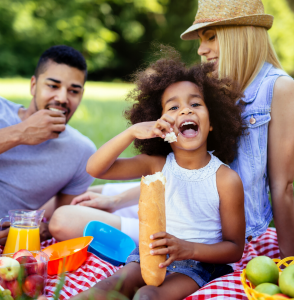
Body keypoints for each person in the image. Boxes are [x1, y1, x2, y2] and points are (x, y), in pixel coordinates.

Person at [50, 0, 294, 260]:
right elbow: (182, 173)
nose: (201, 50)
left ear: (241, 34)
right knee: (81, 195)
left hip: (203, 226)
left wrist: (288, 260)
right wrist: (117, 200)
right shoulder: (215, 83)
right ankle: (27, 222)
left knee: (64, 218)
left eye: (211, 37)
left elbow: (283, 186)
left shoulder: (278, 88)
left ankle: (142, 250)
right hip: (177, 199)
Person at [68, 54, 246, 300]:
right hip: (149, 255)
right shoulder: (157, 165)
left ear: (212, 122)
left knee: (147, 296)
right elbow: (96, 169)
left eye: (195, 104)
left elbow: (235, 249)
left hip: (198, 264)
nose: (185, 110)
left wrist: (188, 249)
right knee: (108, 287)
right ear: (160, 123)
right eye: (173, 107)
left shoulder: (226, 179)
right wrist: (131, 132)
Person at [0, 45, 96, 242]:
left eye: (74, 91)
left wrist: (44, 229)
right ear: (33, 85)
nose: (62, 98)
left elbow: (63, 218)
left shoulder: (82, 152)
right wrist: (21, 132)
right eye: (53, 86)